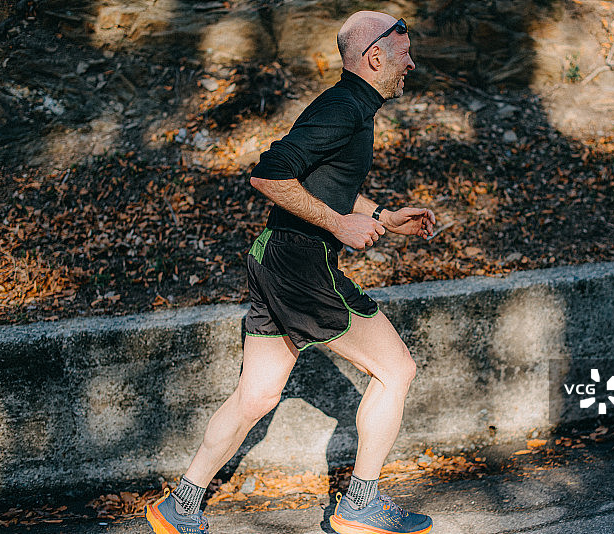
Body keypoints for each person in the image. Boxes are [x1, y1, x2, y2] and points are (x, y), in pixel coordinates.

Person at [145, 10, 435, 534]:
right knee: (397, 371)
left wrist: (380, 218)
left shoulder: (352, 108)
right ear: (375, 55)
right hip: (303, 267)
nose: (410, 63)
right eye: (404, 53)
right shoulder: (344, 108)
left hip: (274, 258)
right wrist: (340, 226)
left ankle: (180, 504)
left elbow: (325, 187)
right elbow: (269, 174)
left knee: (256, 395)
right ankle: (360, 505)